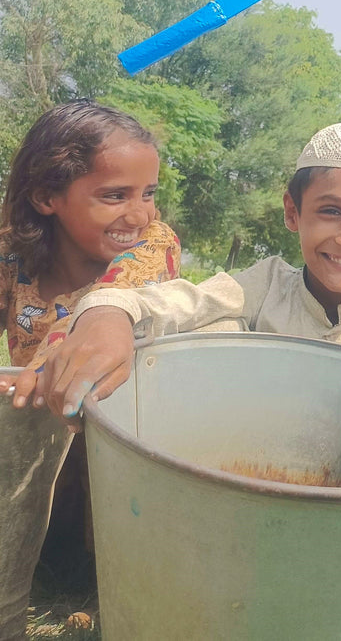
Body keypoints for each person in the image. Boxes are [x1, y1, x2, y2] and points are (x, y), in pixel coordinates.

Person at [19, 121, 341, 508]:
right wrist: (108, 315)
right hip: (258, 471)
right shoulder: (265, 285)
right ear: (293, 213)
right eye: (331, 212)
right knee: (214, 328)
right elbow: (176, 302)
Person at [0, 100, 181, 638]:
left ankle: (126, 601)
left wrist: (41, 363)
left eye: (148, 193)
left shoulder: (152, 247)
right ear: (46, 197)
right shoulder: (13, 253)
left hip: (120, 444)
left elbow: (103, 303)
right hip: (35, 438)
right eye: (114, 195)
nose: (140, 213)